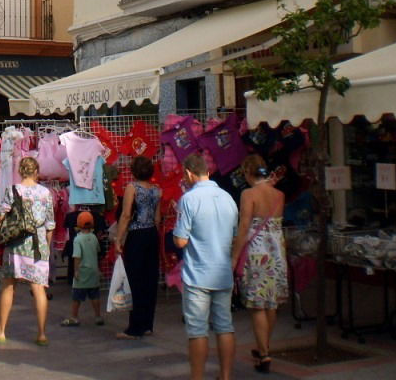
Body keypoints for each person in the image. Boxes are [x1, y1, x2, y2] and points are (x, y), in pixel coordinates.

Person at [173, 152, 238, 380]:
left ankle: (197, 377)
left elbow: (180, 240)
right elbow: (235, 235)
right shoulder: (228, 198)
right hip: (222, 272)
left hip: (197, 273)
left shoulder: (188, 200)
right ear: (208, 172)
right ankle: (226, 375)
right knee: (224, 325)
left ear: (189, 173)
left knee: (197, 330)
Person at [0, 156, 56, 346]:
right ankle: (41, 334)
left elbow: (0, 218)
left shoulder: (13, 190)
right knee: (38, 288)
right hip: (38, 246)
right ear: (36, 171)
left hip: (16, 245)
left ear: (20, 171)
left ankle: (0, 331)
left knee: (9, 286)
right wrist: (46, 247)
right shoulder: (46, 193)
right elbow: (50, 225)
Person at [232, 153, 288, 373]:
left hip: (257, 253)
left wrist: (234, 256)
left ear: (248, 172)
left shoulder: (248, 194)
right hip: (276, 250)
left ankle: (264, 354)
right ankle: (263, 346)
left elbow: (244, 226)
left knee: (257, 305)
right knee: (271, 303)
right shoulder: (279, 195)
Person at [114, 154, 162, 339]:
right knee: (150, 279)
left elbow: (126, 215)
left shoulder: (132, 188)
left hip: (136, 235)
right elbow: (157, 218)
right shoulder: (157, 190)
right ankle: (147, 323)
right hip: (151, 234)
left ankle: (135, 327)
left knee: (135, 279)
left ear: (134, 171)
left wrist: (119, 239)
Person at [60, 211, 103, 328]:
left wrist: (76, 271)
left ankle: (74, 317)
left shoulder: (78, 240)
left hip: (82, 271)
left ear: (78, 224)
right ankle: (98, 316)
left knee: (76, 297)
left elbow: (77, 257)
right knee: (95, 295)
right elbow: (97, 252)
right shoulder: (94, 238)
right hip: (93, 271)